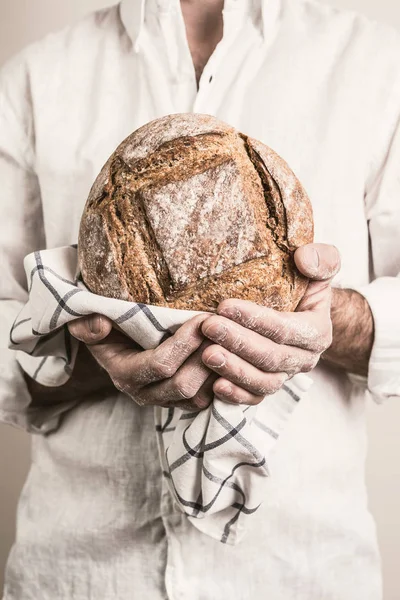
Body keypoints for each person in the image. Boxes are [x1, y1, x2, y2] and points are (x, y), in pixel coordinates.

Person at [1, 0, 399, 598]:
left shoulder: (376, 64)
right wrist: (100, 354)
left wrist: (327, 321)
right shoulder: (35, 77)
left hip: (303, 575)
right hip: (78, 575)